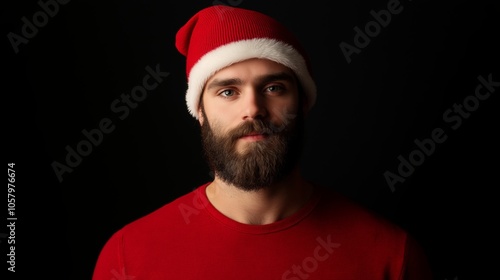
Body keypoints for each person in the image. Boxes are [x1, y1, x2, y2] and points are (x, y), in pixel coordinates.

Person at [92, 5, 434, 280]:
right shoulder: (128, 258)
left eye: (273, 88)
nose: (253, 109)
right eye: (228, 91)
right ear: (200, 111)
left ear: (301, 102)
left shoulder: (391, 257)